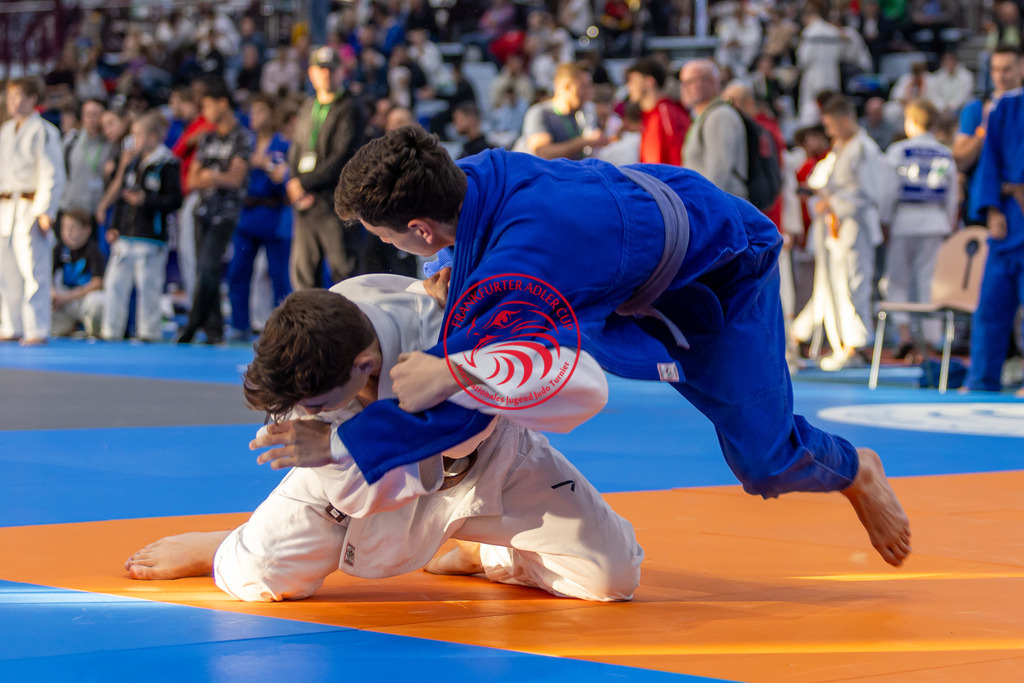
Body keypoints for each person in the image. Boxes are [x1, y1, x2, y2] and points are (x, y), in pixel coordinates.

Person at [325, 125, 912, 568]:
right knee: (470, 339)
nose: (395, 250)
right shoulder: (469, 175)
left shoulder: (521, 269)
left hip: (719, 274)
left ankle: (853, 468)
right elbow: (465, 253)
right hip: (625, 243)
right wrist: (445, 266)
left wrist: (340, 443)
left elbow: (465, 404)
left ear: (420, 228)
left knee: (765, 463)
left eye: (388, 238)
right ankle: (479, 530)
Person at [125, 275, 643, 603]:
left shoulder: (438, 319)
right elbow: (362, 498)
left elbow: (574, 387)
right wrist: (336, 446)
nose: (309, 414)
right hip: (362, 487)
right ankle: (223, 544)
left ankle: (484, 554)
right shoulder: (303, 364)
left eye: (319, 405)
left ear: (364, 365)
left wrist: (466, 360)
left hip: (490, 462)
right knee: (258, 576)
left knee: (611, 577)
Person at [793, 96, 884, 371]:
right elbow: (820, 180)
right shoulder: (841, 147)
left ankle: (856, 345)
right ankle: (842, 343)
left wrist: (831, 201)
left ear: (845, 121)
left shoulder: (864, 149)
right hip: (837, 228)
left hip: (856, 226)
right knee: (836, 286)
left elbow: (868, 194)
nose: (829, 131)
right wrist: (823, 195)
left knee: (855, 284)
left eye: (831, 125)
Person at [879, 99, 959, 356]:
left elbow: (888, 191)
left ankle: (904, 333)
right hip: (935, 220)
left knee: (896, 280)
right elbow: (953, 196)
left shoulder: (898, 151)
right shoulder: (944, 153)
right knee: (928, 280)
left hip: (904, 220)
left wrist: (884, 221)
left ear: (911, 122)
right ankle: (930, 341)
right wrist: (949, 224)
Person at [177, 79, 251, 345]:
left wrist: (210, 176)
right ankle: (213, 328)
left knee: (209, 265)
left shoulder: (241, 137)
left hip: (226, 213)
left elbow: (236, 179)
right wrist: (217, 176)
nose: (204, 112)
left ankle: (193, 321)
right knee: (204, 270)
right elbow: (192, 179)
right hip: (203, 210)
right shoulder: (207, 137)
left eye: (208, 106)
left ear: (223, 103)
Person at [286, 46, 366, 290]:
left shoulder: (351, 108)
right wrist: (295, 184)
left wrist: (303, 184)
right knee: (303, 276)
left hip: (335, 204)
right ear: (311, 73)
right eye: (321, 69)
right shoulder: (307, 107)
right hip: (305, 205)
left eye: (331, 69)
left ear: (341, 71)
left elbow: (343, 158)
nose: (326, 74)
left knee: (345, 274)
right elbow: (296, 151)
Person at [101, 112, 183, 342]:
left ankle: (149, 331)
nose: (133, 139)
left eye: (137, 134)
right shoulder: (133, 162)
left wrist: (147, 200)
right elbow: (123, 197)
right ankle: (111, 331)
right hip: (126, 236)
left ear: (153, 137)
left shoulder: (167, 164)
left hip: (151, 237)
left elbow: (176, 200)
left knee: (149, 287)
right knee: (115, 284)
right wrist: (115, 226)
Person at [964, 86, 1024, 396]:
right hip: (1008, 221)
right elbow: (989, 160)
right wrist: (991, 208)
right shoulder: (1006, 107)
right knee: (990, 306)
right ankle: (982, 381)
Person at [0, 77, 67, 345]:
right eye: (9, 96)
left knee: (34, 271)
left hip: (30, 206)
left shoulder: (44, 130)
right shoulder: (6, 130)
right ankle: (11, 325)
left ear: (32, 99)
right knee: (6, 272)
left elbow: (52, 174)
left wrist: (46, 211)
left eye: (18, 96)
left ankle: (37, 328)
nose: (12, 101)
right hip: (5, 206)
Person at [227, 95, 291, 340]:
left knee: (278, 275)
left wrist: (265, 164)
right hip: (247, 214)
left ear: (273, 115)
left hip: (273, 214)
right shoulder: (246, 143)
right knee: (238, 271)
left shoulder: (282, 144)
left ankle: (283, 329)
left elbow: (283, 179)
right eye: (253, 111)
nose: (255, 116)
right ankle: (239, 324)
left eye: (261, 111)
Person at [954, 46, 1022, 228]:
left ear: (1021, 67)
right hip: (981, 207)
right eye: (995, 69)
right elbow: (960, 160)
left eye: (1007, 69)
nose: (1001, 76)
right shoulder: (976, 109)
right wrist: (984, 128)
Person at [680, 60, 747, 200]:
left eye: (691, 81)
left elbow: (719, 171)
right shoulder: (705, 116)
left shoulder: (719, 116)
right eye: (683, 82)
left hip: (718, 205)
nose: (685, 88)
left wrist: (704, 205)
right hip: (712, 203)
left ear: (712, 82)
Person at [516, 63, 608, 161]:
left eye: (590, 86)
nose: (590, 91)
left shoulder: (584, 113)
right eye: (584, 86)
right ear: (567, 87)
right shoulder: (540, 113)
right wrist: (584, 142)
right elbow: (542, 152)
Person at [625, 57, 690, 166]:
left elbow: (678, 160)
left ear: (649, 82)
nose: (629, 87)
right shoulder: (650, 116)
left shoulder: (667, 113)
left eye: (632, 81)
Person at [51, 208, 105, 337]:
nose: (67, 232)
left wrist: (66, 297)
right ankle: (68, 328)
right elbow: (45, 277)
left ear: (87, 230)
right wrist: (53, 294)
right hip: (65, 302)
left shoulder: (93, 251)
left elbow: (98, 283)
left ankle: (93, 332)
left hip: (82, 300)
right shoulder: (59, 249)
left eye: (73, 227)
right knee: (44, 300)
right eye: (64, 227)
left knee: (97, 301)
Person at [59, 99, 112, 223]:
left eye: (95, 115)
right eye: (87, 114)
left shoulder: (110, 144)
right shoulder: (72, 139)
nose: (91, 119)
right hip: (68, 205)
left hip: (93, 209)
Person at [796, 3, 843, 125]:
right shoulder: (833, 31)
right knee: (831, 104)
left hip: (813, 75)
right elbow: (839, 54)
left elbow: (804, 58)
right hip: (831, 74)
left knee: (811, 106)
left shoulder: (809, 31)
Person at [928, 52, 975, 118]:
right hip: (942, 111)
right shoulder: (938, 76)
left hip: (961, 109)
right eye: (946, 61)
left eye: (951, 61)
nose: (949, 63)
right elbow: (935, 95)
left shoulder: (966, 76)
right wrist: (943, 107)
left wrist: (951, 107)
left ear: (956, 61)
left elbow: (963, 95)